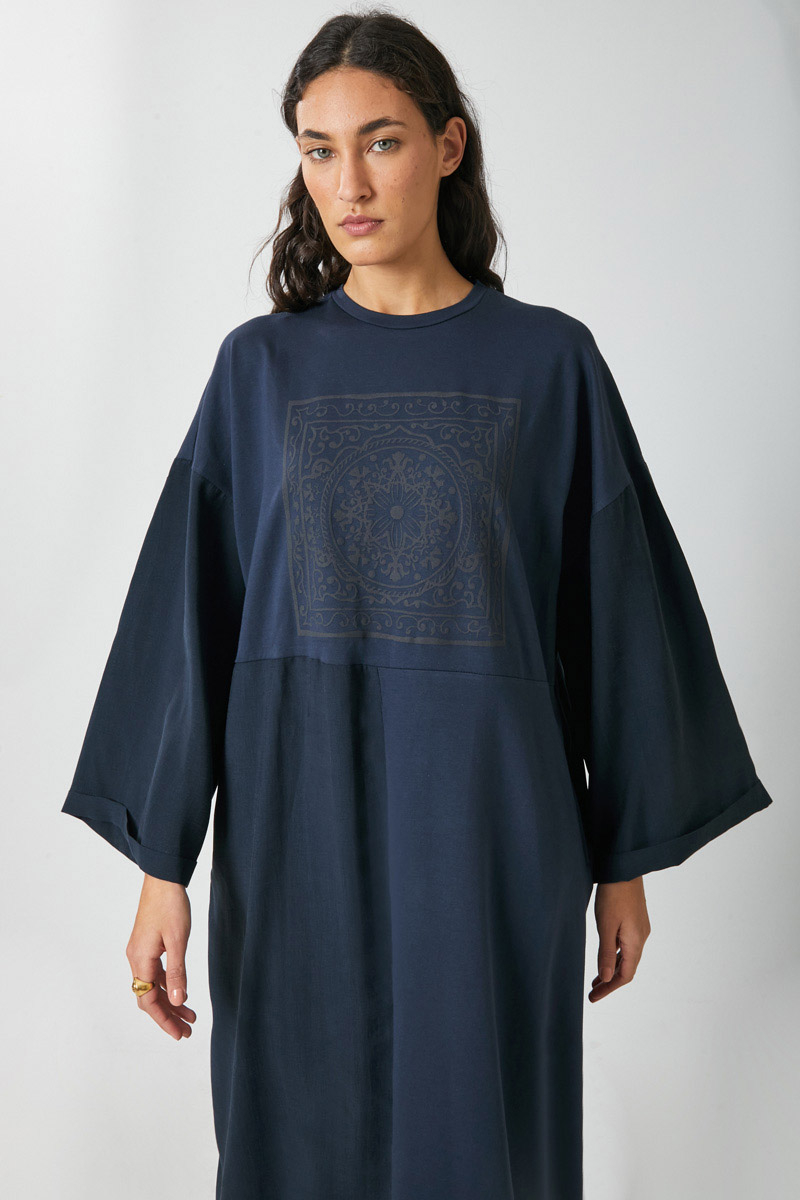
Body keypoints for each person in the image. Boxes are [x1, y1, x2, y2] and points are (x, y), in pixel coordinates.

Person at [61, 10, 774, 1199]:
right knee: (296, 1126)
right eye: (318, 149)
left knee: (482, 1132)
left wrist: (624, 859)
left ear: (446, 146)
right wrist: (161, 868)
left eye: (380, 141)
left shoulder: (548, 363)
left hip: (492, 827)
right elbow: (189, 618)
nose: (347, 182)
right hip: (294, 822)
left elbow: (614, 615)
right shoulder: (258, 370)